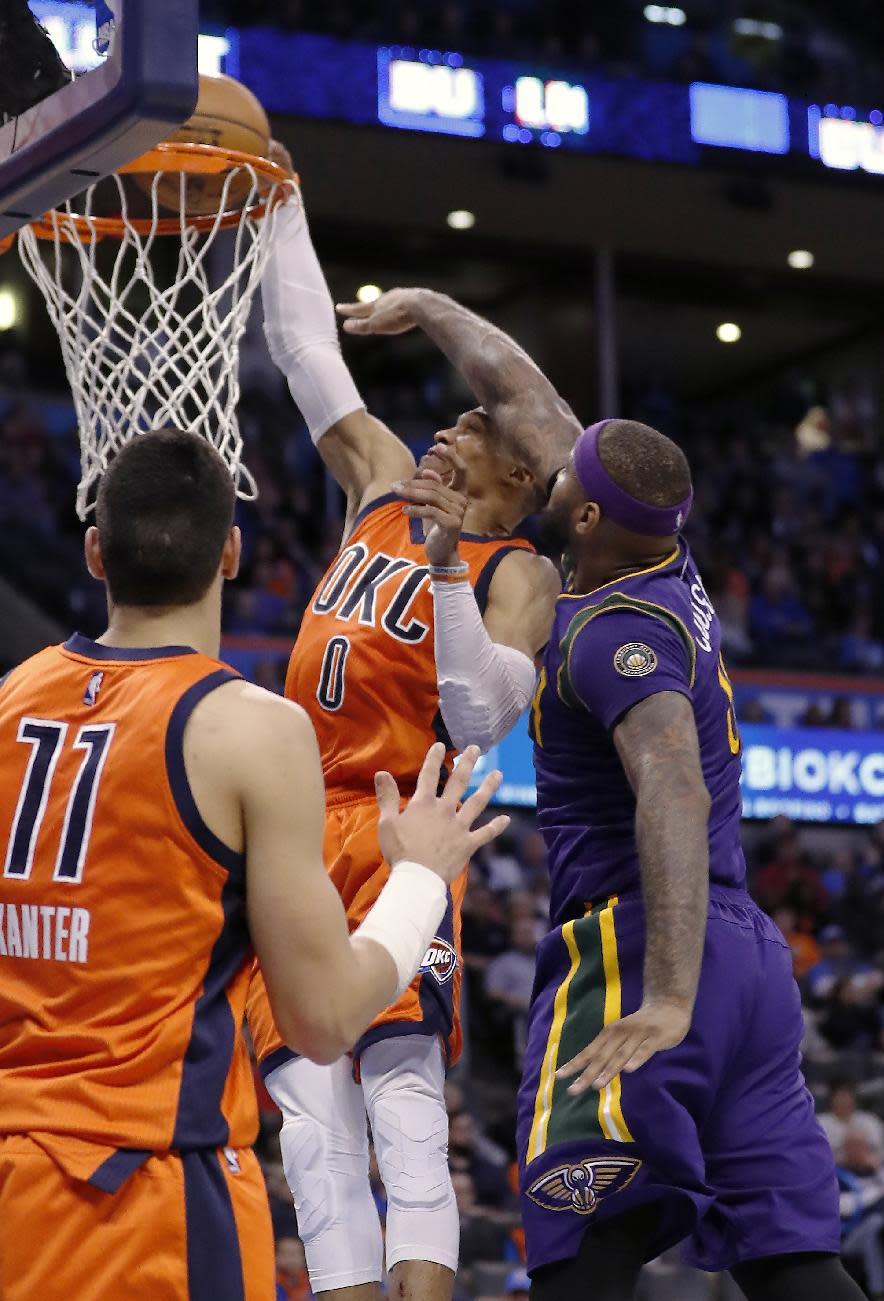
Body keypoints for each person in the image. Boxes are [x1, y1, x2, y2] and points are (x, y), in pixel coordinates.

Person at [0, 428, 508, 1301]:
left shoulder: (9, 702)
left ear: (95, 550)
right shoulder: (251, 726)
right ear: (231, 551)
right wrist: (419, 875)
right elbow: (322, 1020)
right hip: (147, 1193)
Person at [391, 410, 866, 1299]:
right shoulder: (661, 556)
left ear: (583, 518)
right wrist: (437, 310)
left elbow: (676, 789)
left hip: (640, 947)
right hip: (750, 965)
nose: (550, 464)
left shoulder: (612, 633)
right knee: (795, 1264)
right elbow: (537, 408)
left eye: (562, 474)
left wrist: (671, 997)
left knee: (582, 1252)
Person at [245, 173, 565, 1300]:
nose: (445, 425)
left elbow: (481, 715)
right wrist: (274, 198)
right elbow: (302, 354)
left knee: (404, 1109)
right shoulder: (379, 482)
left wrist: (441, 568)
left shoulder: (516, 570)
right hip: (293, 825)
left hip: (401, 833)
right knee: (309, 1128)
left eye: (472, 426)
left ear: (516, 480)